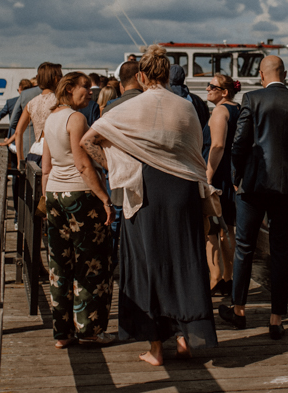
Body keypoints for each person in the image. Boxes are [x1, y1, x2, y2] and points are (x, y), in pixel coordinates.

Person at [81, 44, 217, 366]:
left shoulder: (127, 109)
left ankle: (156, 348)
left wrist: (114, 167)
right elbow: (196, 150)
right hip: (183, 191)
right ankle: (185, 339)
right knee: (184, 262)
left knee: (147, 264)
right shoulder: (186, 108)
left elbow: (88, 141)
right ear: (168, 75)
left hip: (146, 192)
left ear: (141, 76)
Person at [219, 55, 288, 340]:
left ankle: (238, 311)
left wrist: (238, 176)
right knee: (281, 250)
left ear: (261, 74)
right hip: (287, 187)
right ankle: (276, 319)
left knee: (244, 248)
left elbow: (239, 144)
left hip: (253, 185)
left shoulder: (252, 99)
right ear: (284, 74)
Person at [42, 72, 116, 348]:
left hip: (54, 194)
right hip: (81, 196)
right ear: (69, 89)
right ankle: (89, 330)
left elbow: (46, 166)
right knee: (91, 263)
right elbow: (83, 163)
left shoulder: (50, 118)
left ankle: (62, 333)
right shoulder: (76, 119)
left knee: (59, 266)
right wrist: (104, 198)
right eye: (85, 88)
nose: (90, 92)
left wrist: (46, 196)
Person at [202, 74, 241, 298]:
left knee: (213, 230)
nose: (207, 89)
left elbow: (217, 145)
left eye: (212, 86)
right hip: (230, 175)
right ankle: (229, 278)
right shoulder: (239, 110)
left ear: (224, 92)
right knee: (230, 230)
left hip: (217, 177)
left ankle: (216, 278)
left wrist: (207, 175)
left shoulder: (220, 111)